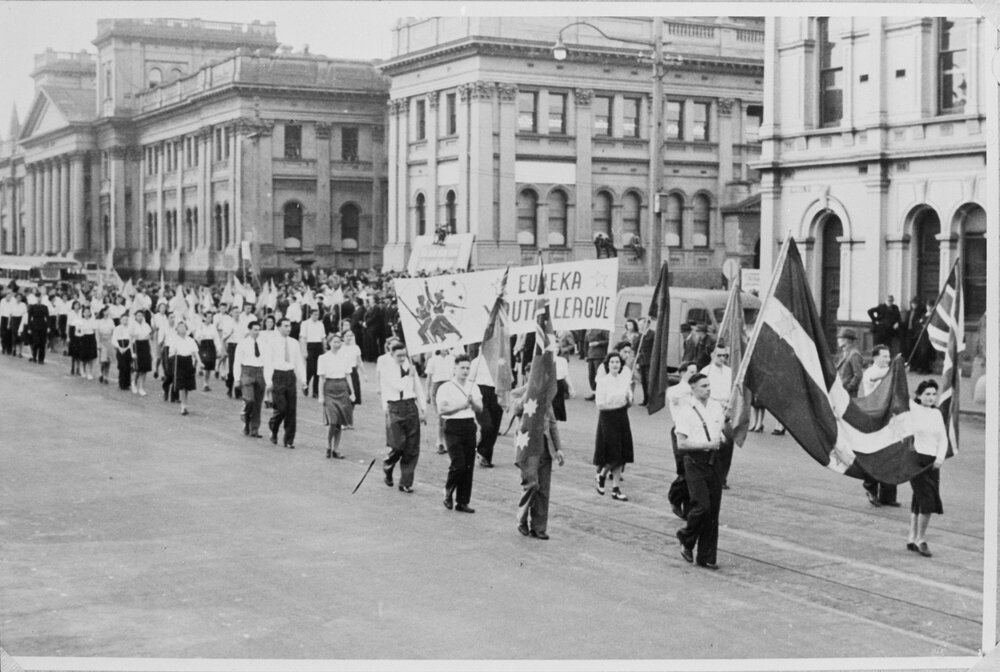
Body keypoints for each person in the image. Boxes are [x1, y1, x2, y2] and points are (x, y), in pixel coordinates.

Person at [674, 372, 728, 570]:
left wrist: (720, 437)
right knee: (702, 505)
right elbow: (681, 443)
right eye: (704, 386)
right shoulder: (686, 410)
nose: (708, 389)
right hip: (695, 462)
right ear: (694, 389)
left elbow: (717, 431)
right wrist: (707, 443)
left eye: (709, 385)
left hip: (713, 461)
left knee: (713, 510)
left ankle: (706, 556)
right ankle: (686, 537)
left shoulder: (715, 407)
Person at [512, 379, 565, 540]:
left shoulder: (546, 397)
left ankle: (539, 526)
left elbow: (553, 423)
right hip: (528, 446)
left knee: (543, 488)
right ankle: (521, 518)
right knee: (531, 484)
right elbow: (516, 409)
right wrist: (529, 393)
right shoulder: (518, 393)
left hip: (544, 445)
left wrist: (558, 448)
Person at [437, 353, 483, 513]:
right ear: (455, 368)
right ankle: (448, 491)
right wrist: (460, 406)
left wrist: (472, 403)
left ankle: (463, 501)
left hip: (469, 425)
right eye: (462, 367)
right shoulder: (446, 387)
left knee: (468, 465)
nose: (465, 371)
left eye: (467, 368)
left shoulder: (473, 386)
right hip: (453, 426)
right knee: (459, 463)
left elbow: (480, 409)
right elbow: (442, 410)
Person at [907, 379, 948, 558]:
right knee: (928, 501)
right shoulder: (913, 409)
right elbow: (898, 394)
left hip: (933, 463)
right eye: (927, 394)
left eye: (933, 394)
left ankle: (912, 537)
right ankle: (921, 539)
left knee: (919, 499)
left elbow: (943, 438)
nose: (931, 397)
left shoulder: (937, 414)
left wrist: (940, 458)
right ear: (918, 395)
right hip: (916, 460)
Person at [379, 341, 426, 493]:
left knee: (412, 447)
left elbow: (417, 387)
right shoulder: (387, 369)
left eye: (404, 355)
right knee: (398, 444)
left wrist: (423, 409)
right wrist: (409, 376)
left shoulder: (410, 367)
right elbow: (397, 386)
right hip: (395, 407)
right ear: (391, 354)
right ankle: (388, 465)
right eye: (398, 355)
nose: (401, 358)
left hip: (410, 406)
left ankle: (405, 482)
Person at [859, 344, 899, 507]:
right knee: (875, 454)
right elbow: (881, 376)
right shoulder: (870, 372)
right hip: (874, 416)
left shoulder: (891, 370)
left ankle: (888, 495)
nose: (887, 359)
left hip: (889, 416)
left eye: (889, 357)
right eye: (884, 356)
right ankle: (871, 489)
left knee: (892, 453)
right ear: (875, 357)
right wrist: (898, 368)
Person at [593, 351, 634, 501]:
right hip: (608, 419)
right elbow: (600, 404)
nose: (615, 365)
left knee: (623, 453)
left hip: (622, 417)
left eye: (617, 362)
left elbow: (628, 400)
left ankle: (615, 488)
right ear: (608, 365)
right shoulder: (603, 382)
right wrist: (618, 405)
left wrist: (628, 400)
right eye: (612, 362)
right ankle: (602, 474)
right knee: (614, 452)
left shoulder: (624, 380)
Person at [264, 317, 307, 449]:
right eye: (285, 326)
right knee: (281, 408)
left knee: (291, 410)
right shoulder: (272, 342)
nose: (288, 328)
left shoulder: (294, 343)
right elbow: (268, 362)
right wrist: (268, 381)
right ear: (278, 327)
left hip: (290, 376)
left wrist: (303, 380)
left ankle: (289, 440)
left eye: (289, 326)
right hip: (277, 376)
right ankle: (274, 427)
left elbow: (299, 362)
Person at [667, 361, 700, 520]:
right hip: (680, 431)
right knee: (683, 470)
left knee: (693, 471)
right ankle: (674, 497)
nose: (694, 374)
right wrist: (692, 389)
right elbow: (675, 397)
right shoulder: (676, 390)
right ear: (682, 373)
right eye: (691, 372)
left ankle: (688, 508)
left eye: (696, 372)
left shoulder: (697, 391)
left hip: (695, 432)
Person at [700, 345, 734, 488]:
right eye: (719, 355)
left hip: (726, 409)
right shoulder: (706, 371)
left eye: (725, 356)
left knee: (728, 443)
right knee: (713, 443)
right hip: (712, 408)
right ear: (713, 354)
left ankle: (723, 477)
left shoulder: (729, 372)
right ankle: (711, 474)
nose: (722, 358)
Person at [317, 331, 353, 459]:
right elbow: (321, 378)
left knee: (340, 421)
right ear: (329, 343)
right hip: (329, 389)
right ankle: (328, 445)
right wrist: (321, 395)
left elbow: (348, 375)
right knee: (332, 421)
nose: (337, 344)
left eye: (339, 342)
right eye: (334, 342)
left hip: (342, 389)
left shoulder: (345, 357)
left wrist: (352, 392)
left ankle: (336, 448)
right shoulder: (323, 358)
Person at [233, 321, 266, 438]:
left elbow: (267, 360)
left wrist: (267, 376)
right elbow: (237, 362)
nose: (257, 332)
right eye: (255, 330)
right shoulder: (242, 344)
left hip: (260, 372)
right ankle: (246, 420)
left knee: (258, 403)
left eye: (258, 330)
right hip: (247, 372)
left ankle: (254, 429)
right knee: (249, 400)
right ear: (250, 330)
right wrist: (237, 378)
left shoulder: (263, 343)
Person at [473, 348, 503, 468]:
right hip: (480, 392)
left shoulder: (500, 361)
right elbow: (470, 379)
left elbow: (508, 379)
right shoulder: (477, 362)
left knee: (495, 426)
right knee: (487, 425)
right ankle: (481, 450)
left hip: (496, 392)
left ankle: (486, 457)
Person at [425, 348, 456, 454]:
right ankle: (440, 442)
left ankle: (450, 441)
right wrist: (427, 393)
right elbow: (428, 378)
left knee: (451, 416)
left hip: (450, 387)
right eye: (444, 347)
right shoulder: (432, 360)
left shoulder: (452, 359)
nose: (447, 349)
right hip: (437, 388)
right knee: (441, 416)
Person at [168, 320, 202, 416]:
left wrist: (200, 362)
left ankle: (185, 404)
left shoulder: (190, 340)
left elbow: (195, 353)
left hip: (188, 362)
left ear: (186, 329)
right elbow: (171, 353)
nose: (182, 328)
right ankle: (183, 406)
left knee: (187, 386)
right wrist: (173, 357)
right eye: (180, 327)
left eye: (183, 327)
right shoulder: (174, 339)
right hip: (179, 361)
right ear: (177, 329)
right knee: (182, 385)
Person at [301, 307, 327, 398]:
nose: (316, 316)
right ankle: (306, 385)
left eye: (318, 315)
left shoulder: (320, 324)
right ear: (311, 314)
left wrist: (324, 349)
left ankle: (315, 391)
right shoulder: (305, 324)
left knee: (318, 370)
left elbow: (323, 338)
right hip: (310, 346)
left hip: (318, 346)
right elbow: (303, 338)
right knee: (310, 369)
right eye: (315, 314)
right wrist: (304, 351)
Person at [194, 310, 221, 392]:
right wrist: (201, 335)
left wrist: (218, 349)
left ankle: (206, 383)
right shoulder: (201, 326)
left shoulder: (213, 327)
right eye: (208, 317)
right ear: (204, 318)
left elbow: (216, 339)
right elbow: (197, 337)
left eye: (211, 317)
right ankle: (202, 377)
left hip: (211, 345)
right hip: (204, 345)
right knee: (205, 362)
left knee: (209, 365)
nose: (209, 319)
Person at [835, 328, 864, 398]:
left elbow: (858, 375)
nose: (838, 340)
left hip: (849, 394)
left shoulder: (854, 354)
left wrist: (848, 388)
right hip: (841, 391)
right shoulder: (844, 353)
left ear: (845, 340)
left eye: (839, 338)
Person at [130, 309, 153, 396]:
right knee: (137, 369)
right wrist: (132, 352)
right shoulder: (133, 325)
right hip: (137, 345)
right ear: (135, 317)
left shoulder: (146, 325)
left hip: (145, 346)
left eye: (141, 315)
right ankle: (134, 383)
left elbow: (149, 337)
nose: (139, 317)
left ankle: (141, 387)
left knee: (144, 369)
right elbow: (131, 339)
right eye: (138, 315)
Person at [341, 329, 365, 412]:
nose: (349, 338)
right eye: (347, 336)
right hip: (342, 373)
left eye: (351, 336)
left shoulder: (356, 348)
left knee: (353, 395)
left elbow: (360, 361)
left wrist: (364, 374)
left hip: (353, 372)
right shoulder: (340, 347)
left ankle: (349, 417)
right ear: (343, 337)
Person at [583, 328, 609, 401]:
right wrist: (585, 354)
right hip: (590, 355)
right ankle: (594, 392)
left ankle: (601, 394)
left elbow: (608, 341)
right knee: (591, 375)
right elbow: (585, 342)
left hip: (599, 355)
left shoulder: (603, 329)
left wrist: (598, 343)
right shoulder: (589, 330)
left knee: (599, 375)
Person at [74, 305, 99, 381]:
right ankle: (83, 371)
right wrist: (81, 334)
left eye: (88, 312)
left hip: (91, 338)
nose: (87, 313)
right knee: (83, 356)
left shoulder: (93, 321)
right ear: (83, 313)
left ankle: (90, 373)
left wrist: (97, 342)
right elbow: (76, 332)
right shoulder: (80, 321)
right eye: (85, 312)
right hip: (83, 339)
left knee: (91, 357)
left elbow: (96, 332)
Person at [25, 292, 50, 365]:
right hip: (35, 326)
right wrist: (29, 328)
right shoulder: (32, 307)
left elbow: (47, 317)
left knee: (42, 343)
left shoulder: (45, 307)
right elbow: (29, 318)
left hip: (43, 326)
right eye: (37, 297)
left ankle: (41, 359)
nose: (39, 299)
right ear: (35, 298)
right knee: (36, 342)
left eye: (40, 297)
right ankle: (34, 356)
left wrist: (48, 327)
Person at [635, 319, 654, 406]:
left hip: (649, 360)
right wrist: (637, 361)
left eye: (641, 324)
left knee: (649, 381)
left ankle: (651, 401)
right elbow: (638, 348)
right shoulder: (640, 334)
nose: (639, 326)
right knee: (644, 381)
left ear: (647, 324)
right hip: (642, 360)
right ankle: (645, 399)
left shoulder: (652, 334)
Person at [112, 313, 134, 390]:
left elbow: (132, 340)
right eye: (124, 319)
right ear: (120, 320)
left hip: (128, 348)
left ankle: (127, 384)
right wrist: (119, 348)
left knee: (128, 366)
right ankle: (122, 383)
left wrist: (127, 348)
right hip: (120, 347)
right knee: (122, 366)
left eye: (127, 319)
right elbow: (114, 340)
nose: (125, 321)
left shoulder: (130, 328)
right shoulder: (117, 328)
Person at [95, 307, 116, 384]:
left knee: (109, 360)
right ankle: (101, 372)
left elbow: (114, 331)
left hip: (109, 341)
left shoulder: (111, 321)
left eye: (108, 311)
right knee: (103, 360)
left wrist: (113, 341)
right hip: (102, 341)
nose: (107, 313)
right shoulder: (99, 321)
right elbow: (97, 333)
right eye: (105, 311)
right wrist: (98, 343)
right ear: (103, 312)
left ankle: (106, 376)